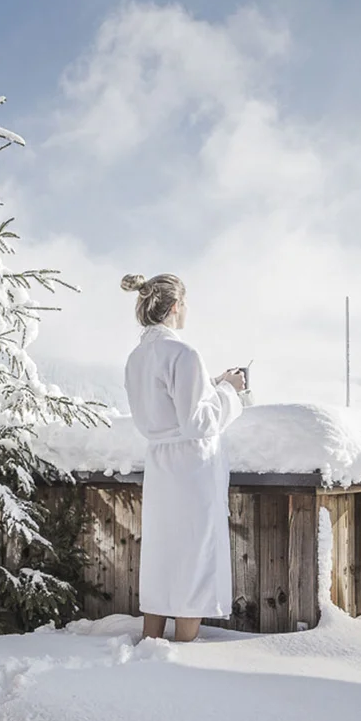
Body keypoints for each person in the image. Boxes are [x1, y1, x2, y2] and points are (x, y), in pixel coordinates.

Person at [120, 273, 247, 643]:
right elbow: (198, 422)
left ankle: (151, 640)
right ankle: (183, 651)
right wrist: (230, 391)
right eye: (186, 303)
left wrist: (211, 383)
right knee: (193, 554)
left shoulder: (137, 357)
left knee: (162, 554)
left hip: (160, 466)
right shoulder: (184, 353)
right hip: (191, 468)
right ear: (175, 306)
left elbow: (170, 405)